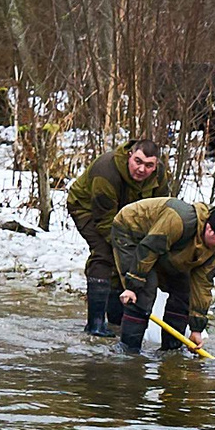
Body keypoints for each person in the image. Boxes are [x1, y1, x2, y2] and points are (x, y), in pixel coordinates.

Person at [66, 137, 172, 336]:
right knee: (105, 254)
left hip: (128, 213)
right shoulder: (106, 170)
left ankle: (116, 319)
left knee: (128, 258)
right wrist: (127, 249)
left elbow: (161, 210)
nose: (141, 169)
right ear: (130, 155)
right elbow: (105, 222)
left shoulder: (159, 176)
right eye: (138, 162)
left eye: (149, 165)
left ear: (156, 165)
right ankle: (95, 324)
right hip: (88, 208)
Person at [109, 196, 215, 354]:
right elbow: (149, 248)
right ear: (209, 230)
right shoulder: (179, 220)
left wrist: (196, 329)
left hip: (162, 246)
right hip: (131, 232)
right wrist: (132, 286)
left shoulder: (211, 251)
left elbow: (202, 287)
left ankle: (170, 350)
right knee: (145, 288)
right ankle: (128, 349)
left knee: (183, 289)